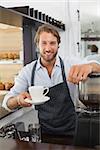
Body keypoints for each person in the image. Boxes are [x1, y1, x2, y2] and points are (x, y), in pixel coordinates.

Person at [2, 24, 100, 144]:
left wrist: (90, 66)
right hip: (44, 135)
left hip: (73, 132)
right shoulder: (28, 71)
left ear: (58, 45)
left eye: (52, 43)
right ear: (37, 45)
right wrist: (18, 100)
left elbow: (96, 65)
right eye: (44, 43)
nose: (48, 48)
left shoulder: (70, 64)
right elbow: (7, 103)